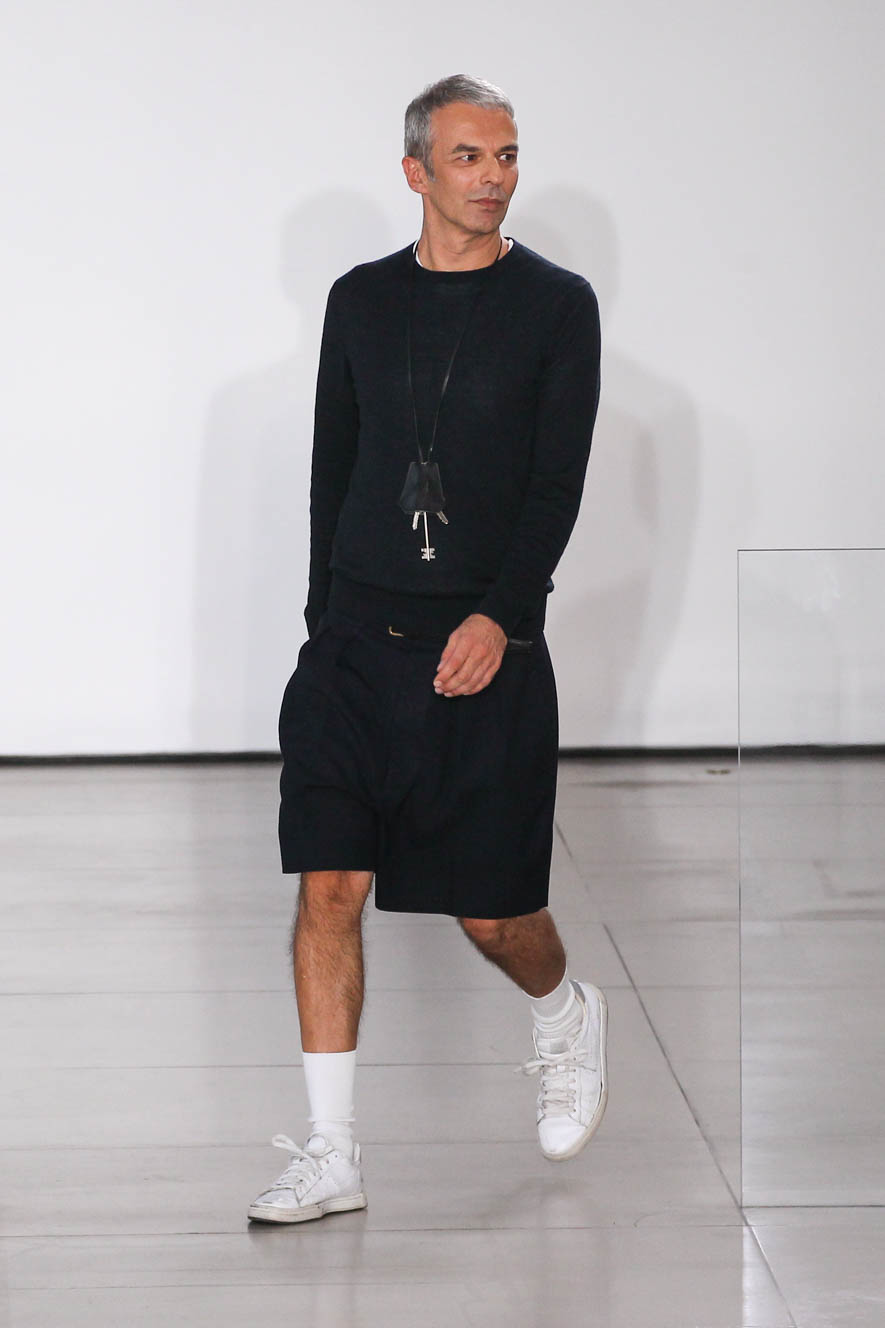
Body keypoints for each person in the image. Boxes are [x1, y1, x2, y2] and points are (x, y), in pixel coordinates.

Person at [248, 72, 605, 1225]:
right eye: (468, 155)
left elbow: (554, 484)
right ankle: (332, 1152)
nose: (494, 176)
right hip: (356, 643)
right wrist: (322, 626)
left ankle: (564, 1013)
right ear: (415, 171)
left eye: (507, 155)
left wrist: (502, 615)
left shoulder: (556, 306)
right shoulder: (360, 301)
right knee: (330, 886)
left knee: (493, 915)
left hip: (481, 644)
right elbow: (334, 468)